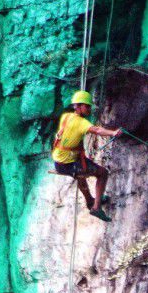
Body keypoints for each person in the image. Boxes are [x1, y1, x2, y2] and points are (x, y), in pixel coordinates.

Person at [52, 90, 122, 222]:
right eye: (87, 106)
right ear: (78, 106)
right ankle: (96, 207)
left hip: (60, 161)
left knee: (81, 175)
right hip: (68, 163)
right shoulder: (81, 122)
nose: (89, 109)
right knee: (102, 173)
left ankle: (90, 200)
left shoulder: (66, 116)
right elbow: (97, 130)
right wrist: (113, 133)